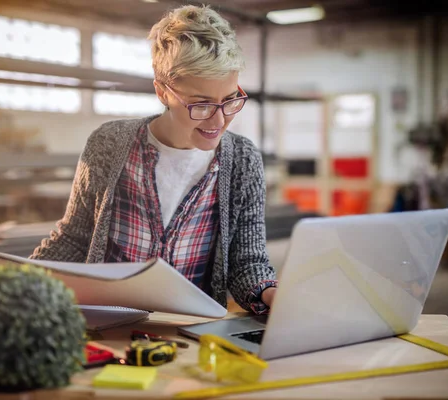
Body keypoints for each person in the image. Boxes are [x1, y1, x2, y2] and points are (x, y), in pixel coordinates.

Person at [30, 4, 277, 313]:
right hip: (108, 324)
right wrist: (19, 282)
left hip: (191, 330)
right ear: (162, 92)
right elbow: (74, 239)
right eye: (201, 104)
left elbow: (247, 262)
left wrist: (270, 293)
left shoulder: (243, 160)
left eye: (230, 101)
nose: (218, 121)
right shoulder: (109, 144)